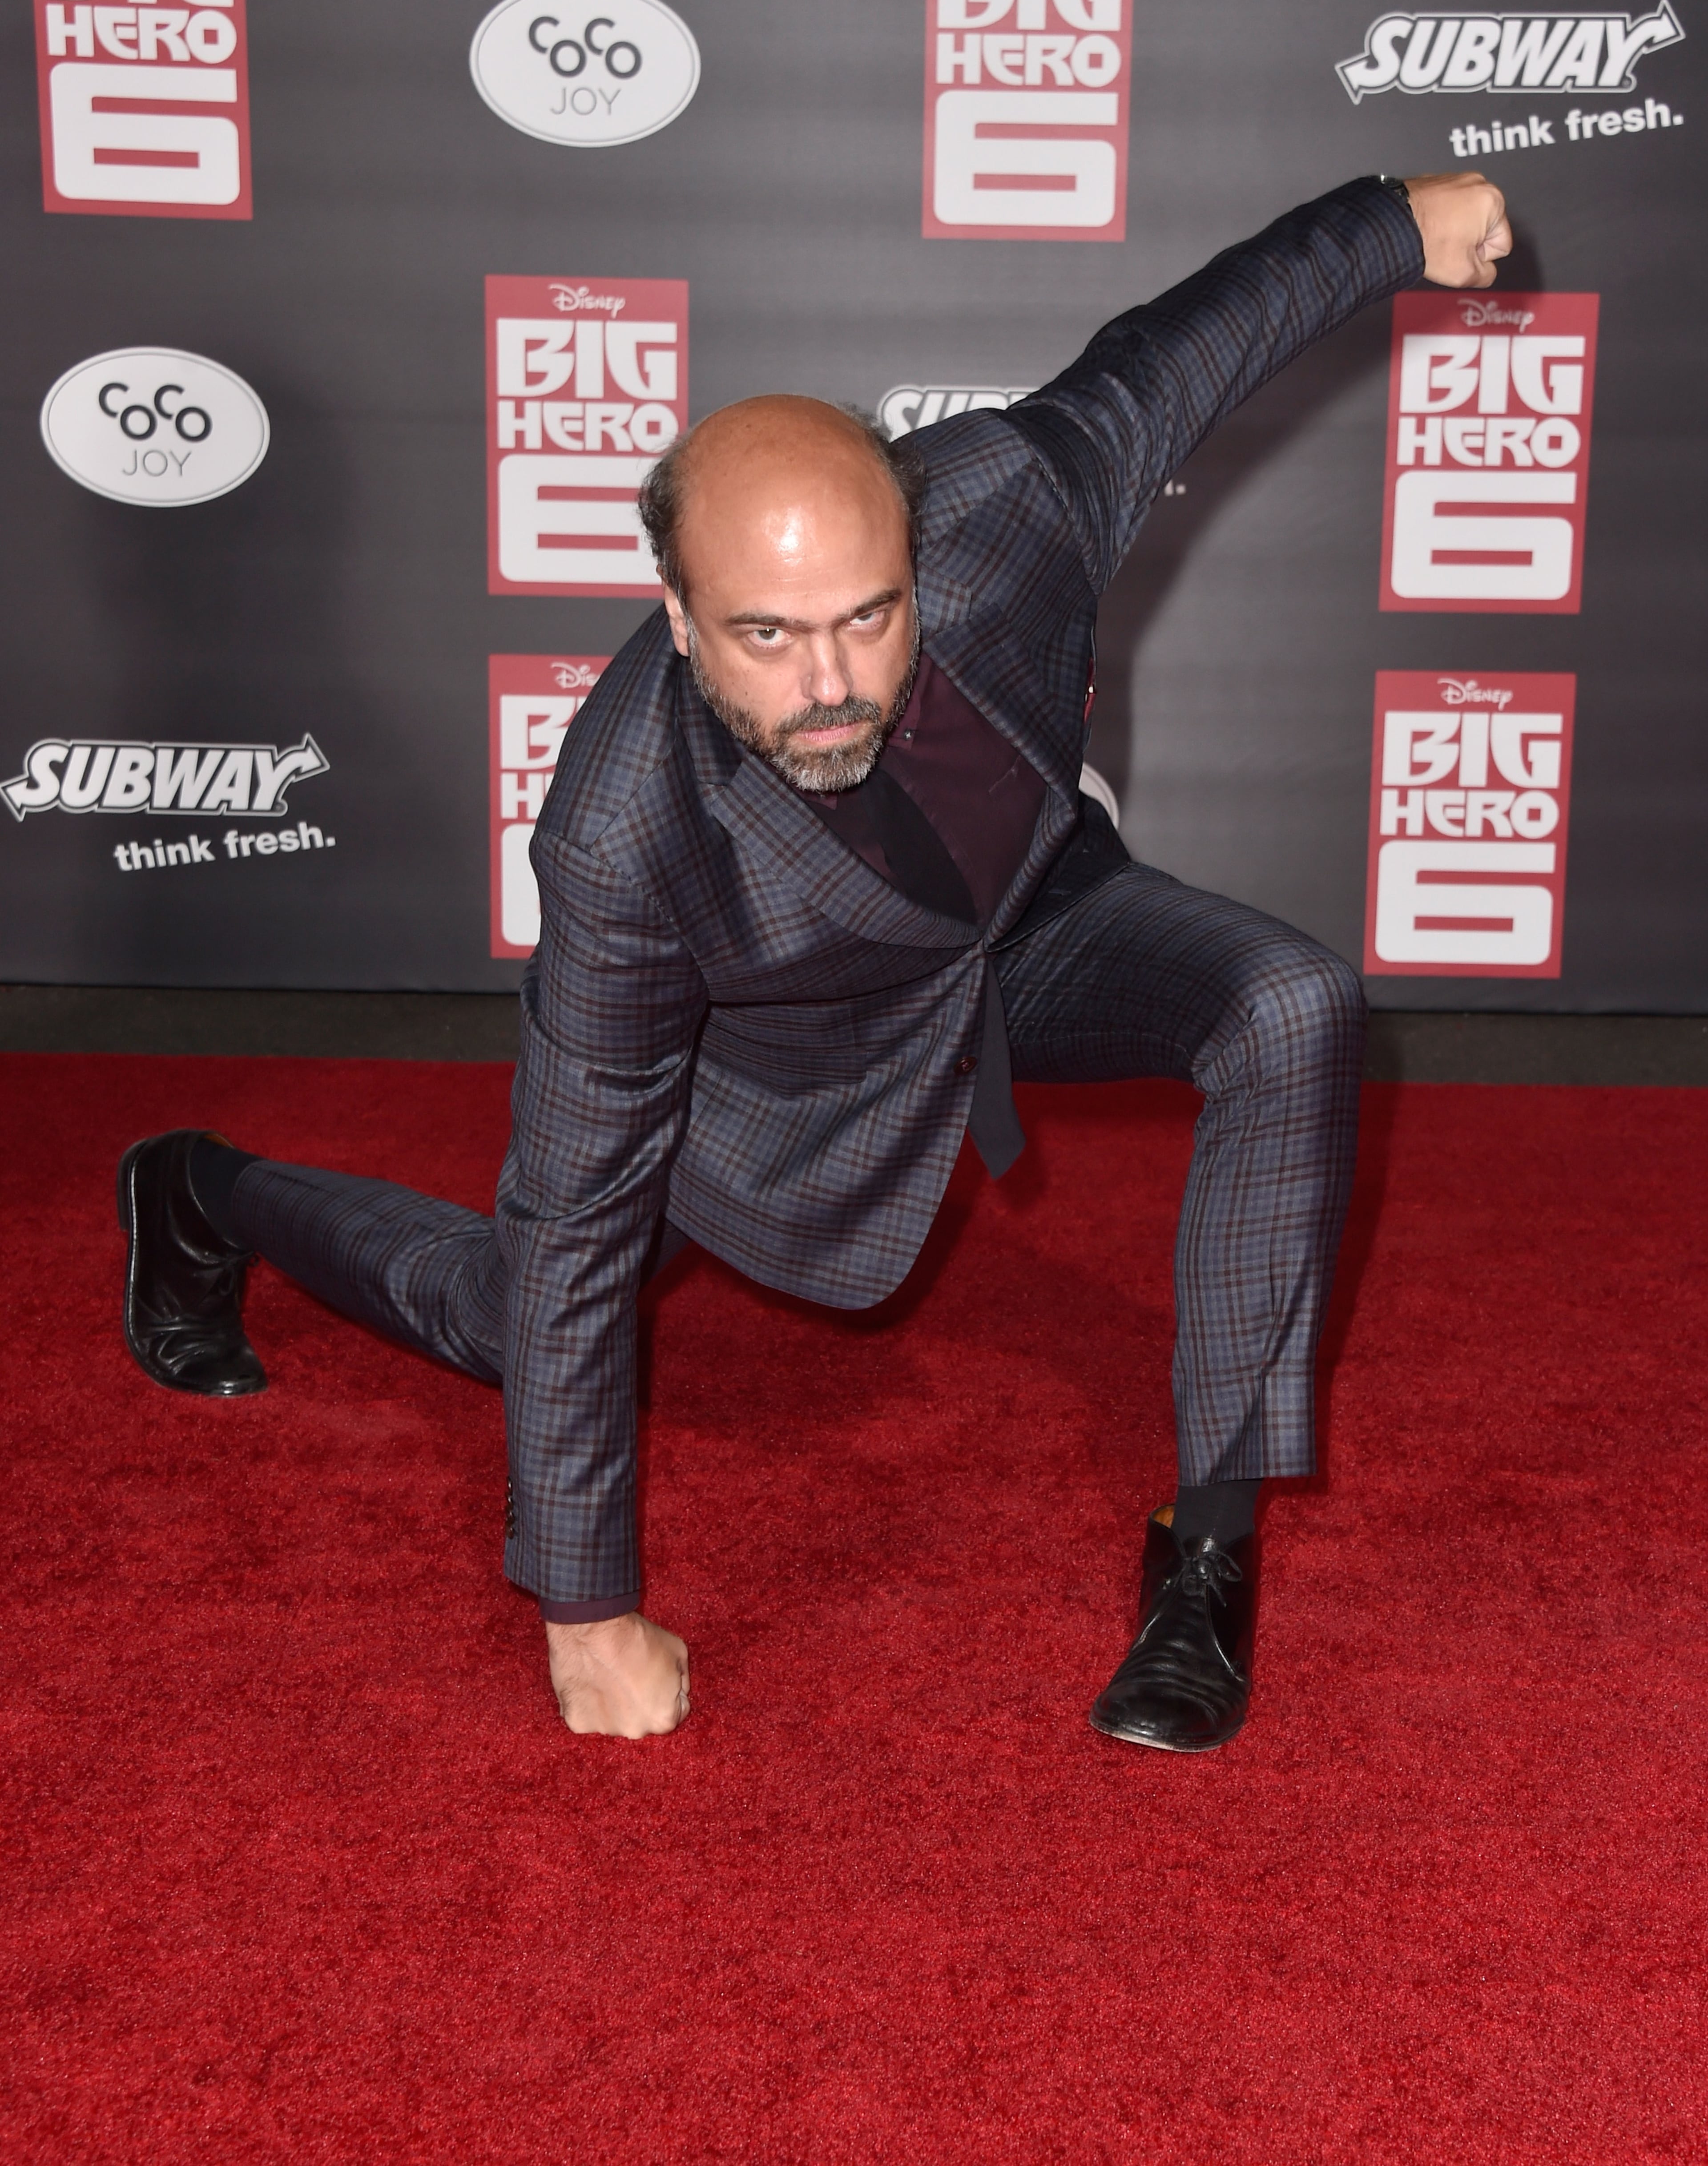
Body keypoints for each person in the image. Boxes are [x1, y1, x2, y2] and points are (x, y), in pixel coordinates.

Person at [118, 172, 1511, 1751]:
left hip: (1032, 924)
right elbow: (575, 1213)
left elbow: (1183, 346)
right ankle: (200, 1190)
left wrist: (1399, 222)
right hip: (784, 1064)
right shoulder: (621, 830)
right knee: (513, 1312)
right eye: (767, 637)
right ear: (678, 612)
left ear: (921, 552)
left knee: (1292, 1001)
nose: (834, 684)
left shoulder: (1018, 502)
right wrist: (586, 1611)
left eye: (870, 617)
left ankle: (1205, 1552)